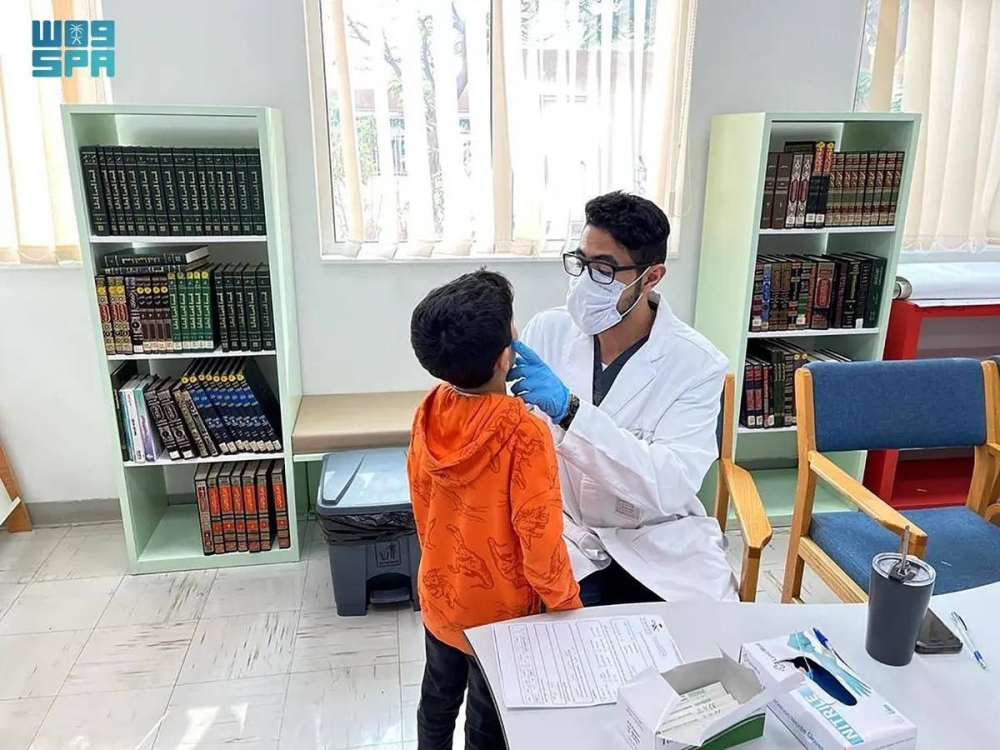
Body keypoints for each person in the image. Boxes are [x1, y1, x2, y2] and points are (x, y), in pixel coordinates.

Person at [508, 191, 737, 606]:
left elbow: (670, 483)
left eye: (603, 269)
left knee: (709, 634)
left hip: (656, 536)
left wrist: (571, 413)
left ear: (651, 277)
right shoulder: (548, 331)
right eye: (580, 262)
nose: (583, 281)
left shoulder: (697, 364)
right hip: (567, 530)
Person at [408, 269, 583, 750]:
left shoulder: (430, 409)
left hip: (442, 593)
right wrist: (567, 607)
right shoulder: (524, 433)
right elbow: (540, 539)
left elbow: (422, 503)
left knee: (436, 702)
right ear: (506, 357)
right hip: (501, 616)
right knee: (488, 722)